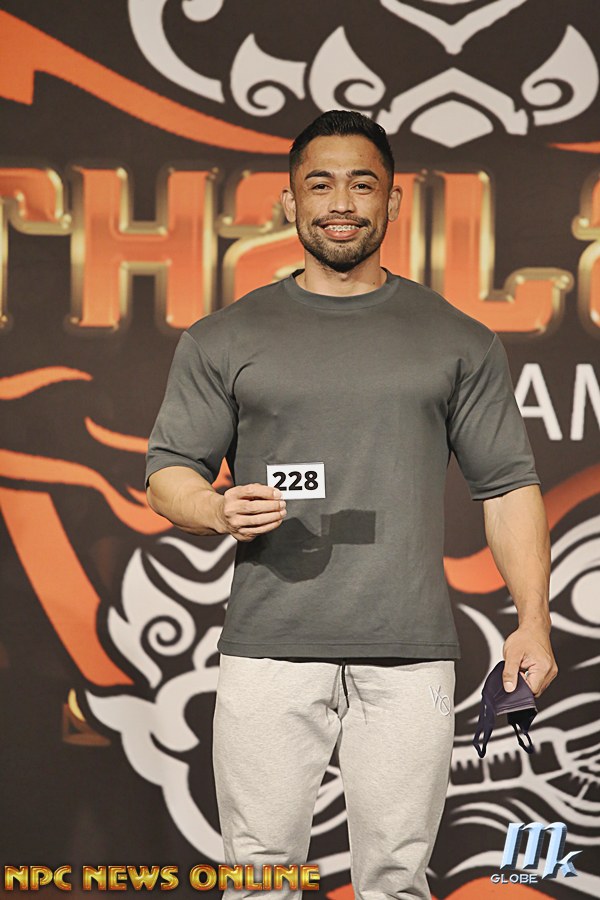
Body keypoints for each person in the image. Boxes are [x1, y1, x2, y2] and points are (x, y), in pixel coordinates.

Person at [145, 110, 557, 900]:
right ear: (289, 201)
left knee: (397, 881)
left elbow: (507, 485)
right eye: (320, 184)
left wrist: (533, 623)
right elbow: (169, 472)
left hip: (411, 653)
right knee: (258, 878)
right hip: (268, 650)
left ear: (393, 203)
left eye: (362, 185)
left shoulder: (458, 339)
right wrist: (216, 509)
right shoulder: (224, 338)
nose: (341, 203)